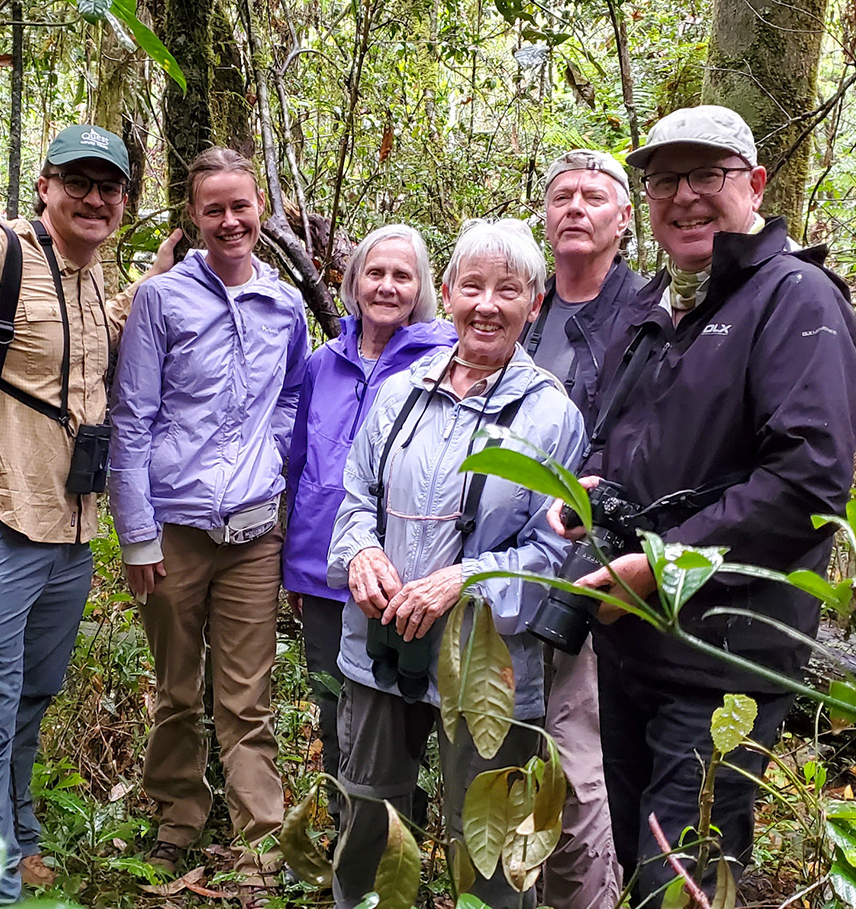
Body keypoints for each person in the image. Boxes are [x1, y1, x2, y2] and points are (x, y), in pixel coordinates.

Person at [554, 105, 856, 901]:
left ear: (754, 184)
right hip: (632, 647)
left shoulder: (794, 298)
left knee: (681, 877)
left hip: (722, 660)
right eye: (664, 179)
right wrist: (591, 492)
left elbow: (809, 481)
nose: (684, 196)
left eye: (706, 175)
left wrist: (662, 564)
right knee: (634, 862)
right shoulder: (659, 302)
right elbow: (616, 433)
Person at [0, 124, 180, 902]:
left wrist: (147, 287)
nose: (94, 198)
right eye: (79, 182)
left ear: (123, 200)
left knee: (29, 698)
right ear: (46, 184)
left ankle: (16, 840)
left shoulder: (88, 272)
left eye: (109, 187)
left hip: (71, 529)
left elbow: (84, 354)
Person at [326, 219, 586, 909]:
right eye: (472, 286)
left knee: (492, 849)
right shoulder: (400, 392)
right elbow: (356, 498)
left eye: (509, 290)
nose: (487, 305)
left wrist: (464, 579)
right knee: (371, 826)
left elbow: (553, 550)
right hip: (382, 649)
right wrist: (361, 554)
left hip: (487, 667)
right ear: (447, 293)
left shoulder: (550, 415)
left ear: (535, 303)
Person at [108, 146, 308, 895]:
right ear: (193, 216)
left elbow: (290, 397)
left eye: (241, 206)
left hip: (254, 535)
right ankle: (177, 821)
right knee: (177, 689)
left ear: (262, 211)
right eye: (213, 208)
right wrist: (136, 535)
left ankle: (261, 841)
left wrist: (271, 456)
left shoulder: (285, 305)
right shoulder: (163, 299)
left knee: (246, 697)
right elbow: (132, 419)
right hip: (175, 532)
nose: (230, 220)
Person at [282, 224, 456, 787]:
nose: (386, 287)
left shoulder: (442, 361)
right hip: (320, 566)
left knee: (399, 713)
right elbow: (299, 460)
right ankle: (345, 833)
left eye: (401, 276)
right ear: (354, 282)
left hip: (402, 571)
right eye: (374, 273)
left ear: (421, 288)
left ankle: (400, 835)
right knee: (333, 710)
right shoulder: (321, 363)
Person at [527, 148, 640, 908]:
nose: (575, 207)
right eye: (562, 195)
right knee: (519, 750)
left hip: (597, 566)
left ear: (624, 219)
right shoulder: (527, 305)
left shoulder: (644, 314)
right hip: (517, 565)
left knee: (576, 764)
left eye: (593, 196)